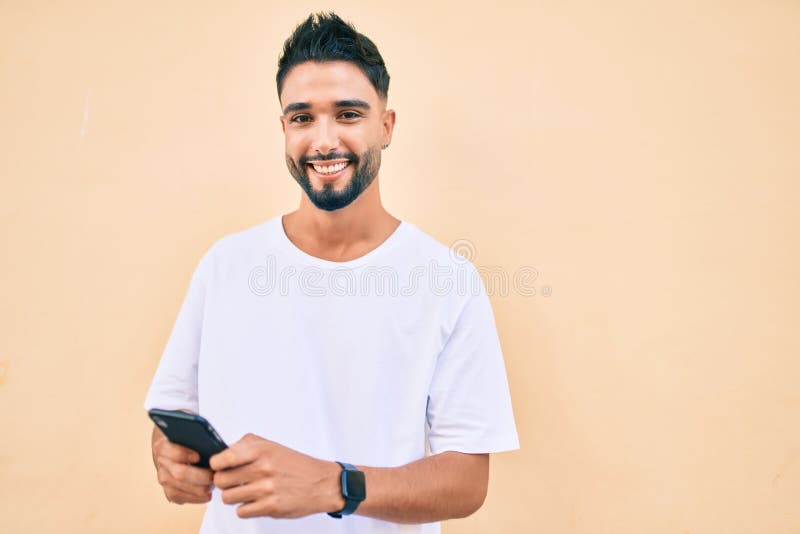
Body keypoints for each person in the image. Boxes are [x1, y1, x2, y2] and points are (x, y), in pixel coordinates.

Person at [144, 11, 519, 533]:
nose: (323, 141)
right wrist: (170, 460)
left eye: (348, 114)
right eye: (302, 118)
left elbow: (467, 482)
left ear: (385, 127)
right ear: (283, 129)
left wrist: (333, 486)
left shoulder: (447, 281)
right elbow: (173, 419)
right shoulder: (225, 266)